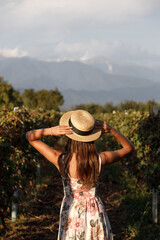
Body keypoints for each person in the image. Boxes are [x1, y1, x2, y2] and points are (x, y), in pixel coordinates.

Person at [26, 109, 134, 240]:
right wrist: (112, 130)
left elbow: (30, 137)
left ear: (70, 137)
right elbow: (129, 148)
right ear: (91, 137)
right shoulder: (100, 159)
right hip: (95, 213)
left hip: (71, 212)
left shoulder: (61, 160)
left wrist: (51, 131)